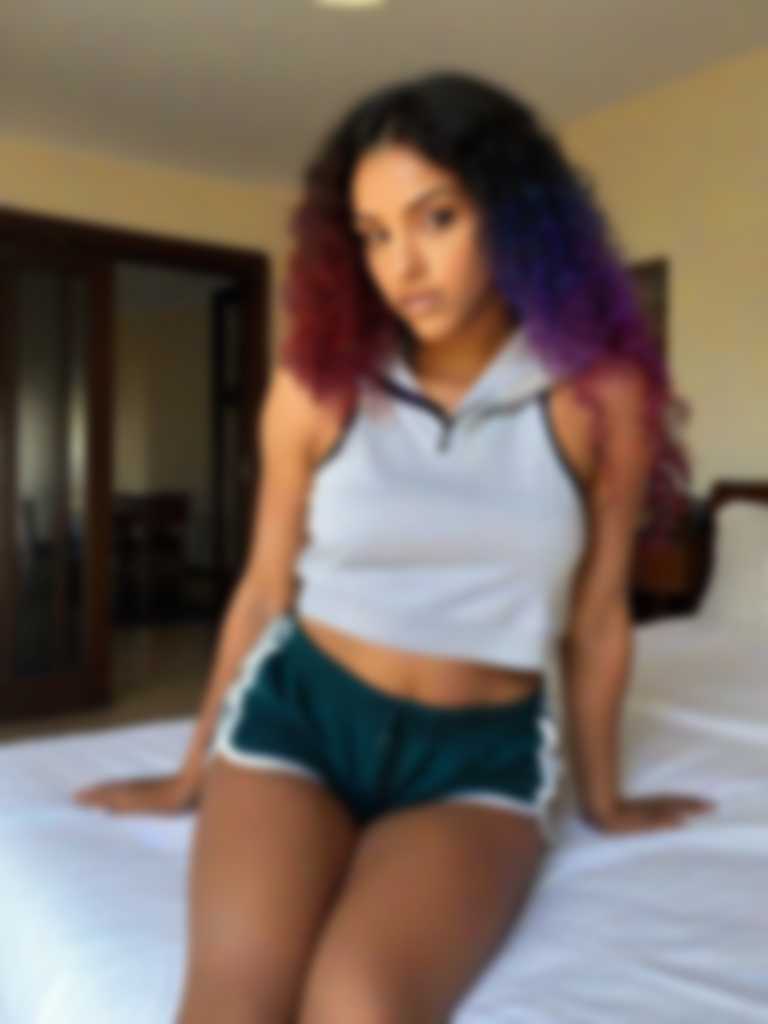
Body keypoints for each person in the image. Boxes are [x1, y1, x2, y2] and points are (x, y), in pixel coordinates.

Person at [74, 71, 716, 1023]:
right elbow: (263, 591)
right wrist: (186, 773)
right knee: (234, 1002)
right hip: (301, 726)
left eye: (436, 219)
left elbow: (597, 617)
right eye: (374, 235)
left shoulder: (596, 397)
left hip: (474, 763)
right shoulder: (319, 386)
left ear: (514, 214)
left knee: (362, 1005)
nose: (402, 264)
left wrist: (606, 801)